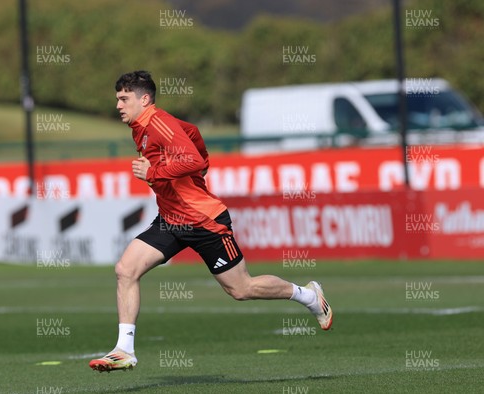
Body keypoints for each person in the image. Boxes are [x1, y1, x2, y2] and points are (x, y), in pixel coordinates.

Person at [89, 70, 332, 372]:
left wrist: (156, 173)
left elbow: (191, 159)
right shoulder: (142, 126)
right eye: (117, 99)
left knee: (241, 289)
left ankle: (308, 295)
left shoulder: (158, 122)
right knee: (125, 269)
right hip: (171, 220)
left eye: (124, 99)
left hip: (204, 220)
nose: (118, 105)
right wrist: (201, 160)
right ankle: (124, 350)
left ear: (145, 99)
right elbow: (191, 133)